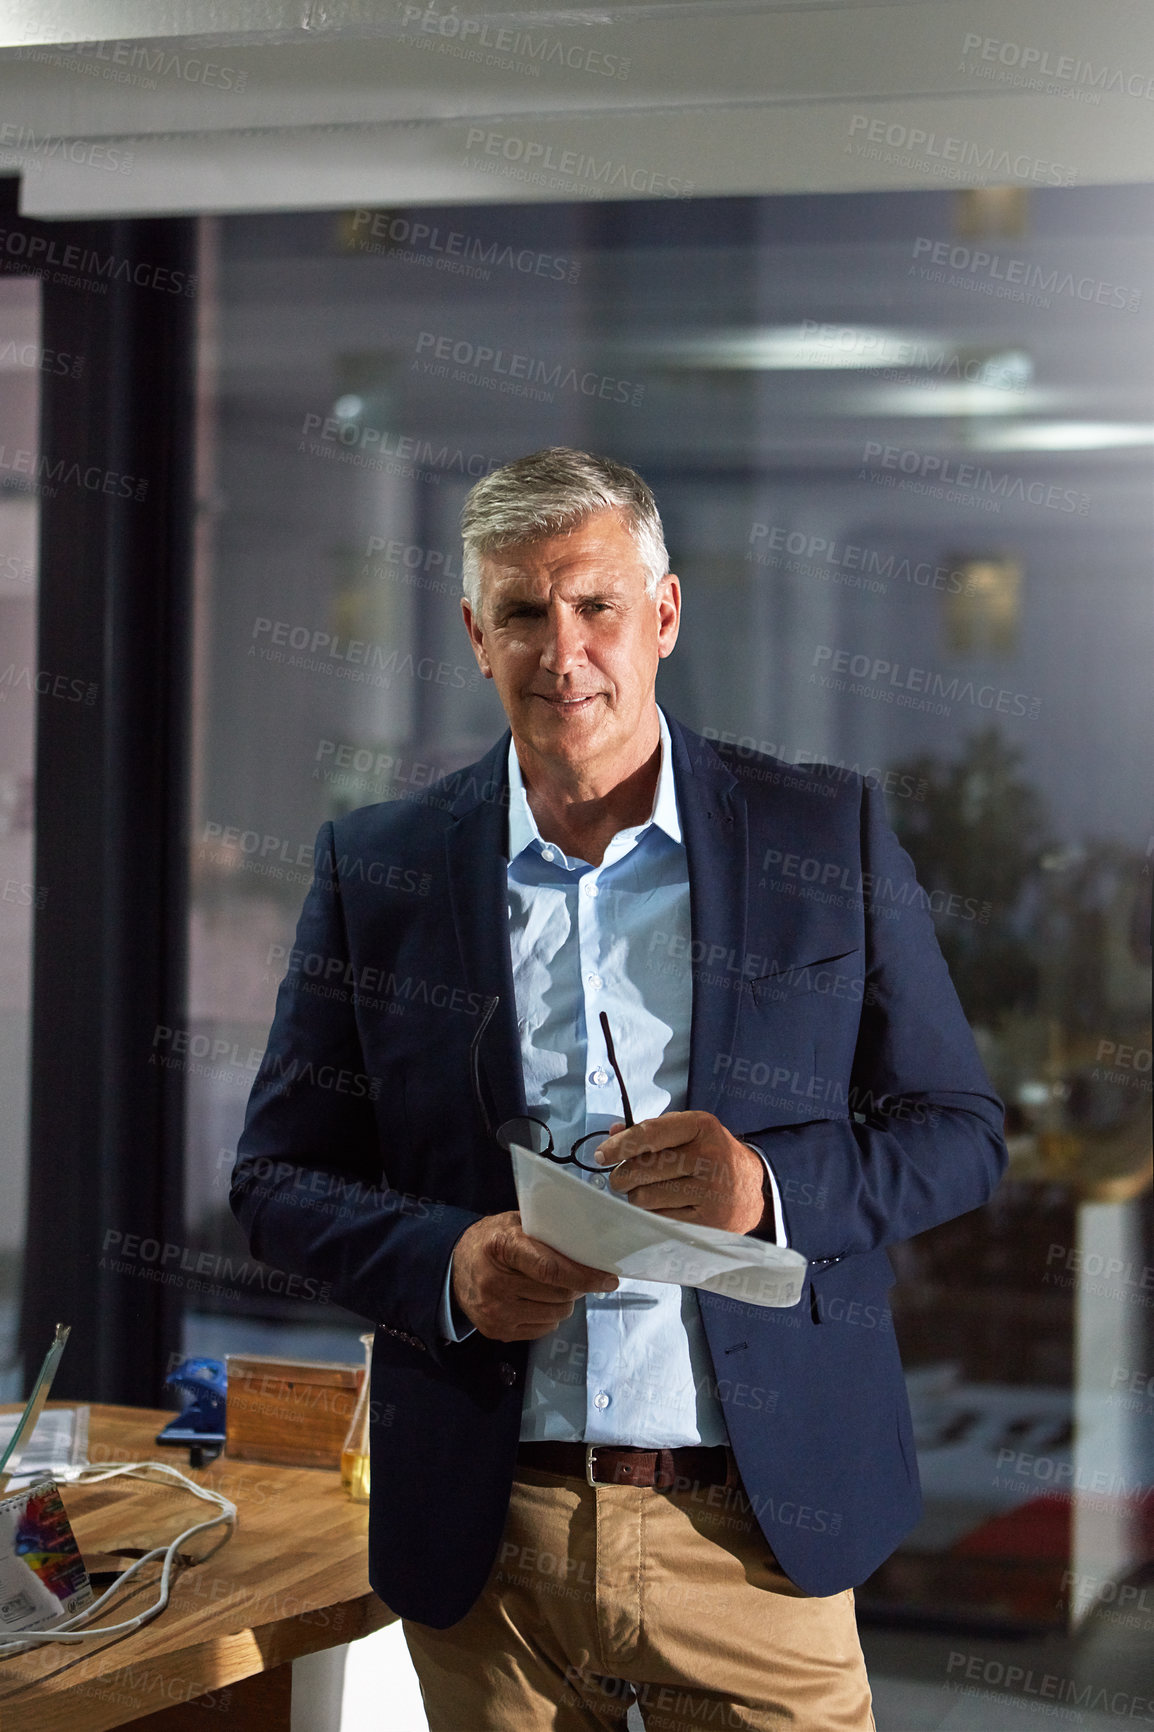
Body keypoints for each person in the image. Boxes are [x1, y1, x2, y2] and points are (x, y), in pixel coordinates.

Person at [231, 447, 1007, 1730]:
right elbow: (275, 1180)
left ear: (663, 615)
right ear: (475, 635)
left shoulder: (826, 837)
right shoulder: (378, 867)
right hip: (493, 1547)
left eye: (594, 605)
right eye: (523, 613)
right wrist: (447, 1261)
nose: (562, 650)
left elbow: (960, 1135)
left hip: (755, 1538)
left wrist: (769, 1190)